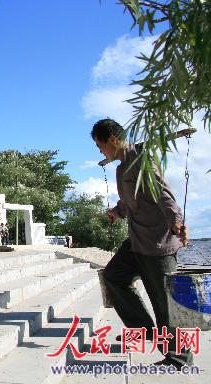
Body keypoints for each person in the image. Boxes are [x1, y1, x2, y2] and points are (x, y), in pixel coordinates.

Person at [92, 118, 192, 369]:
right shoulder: (121, 169)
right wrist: (116, 212)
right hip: (137, 241)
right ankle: (143, 331)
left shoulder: (142, 161)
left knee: (164, 304)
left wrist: (177, 222)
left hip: (158, 244)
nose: (100, 151)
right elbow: (129, 203)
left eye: (100, 145)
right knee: (114, 276)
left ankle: (179, 358)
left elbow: (164, 195)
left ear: (112, 140)